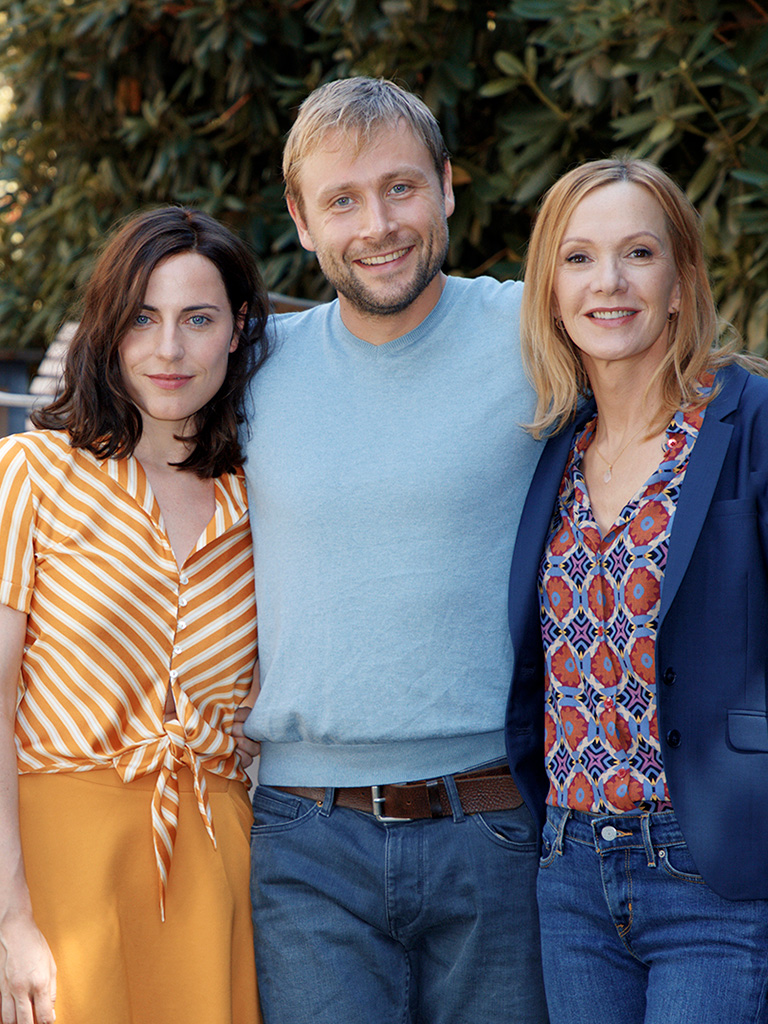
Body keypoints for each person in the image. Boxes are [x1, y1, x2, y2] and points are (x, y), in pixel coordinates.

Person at [241, 76, 548, 1024]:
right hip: (305, 841)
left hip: (494, 824)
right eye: (343, 199)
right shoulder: (251, 370)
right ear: (300, 219)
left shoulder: (541, 333)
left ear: (448, 187)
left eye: (401, 188)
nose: (378, 224)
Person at [505, 156, 768, 1024]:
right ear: (549, 290)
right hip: (572, 874)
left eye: (638, 254)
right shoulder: (554, 453)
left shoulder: (749, 422)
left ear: (681, 281)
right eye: (578, 258)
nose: (608, 283)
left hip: (715, 870)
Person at [0, 206, 269, 1024]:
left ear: (237, 329)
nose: (169, 348)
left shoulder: (263, 501)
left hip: (215, 868)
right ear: (109, 330)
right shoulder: (32, 473)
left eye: (198, 318)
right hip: (60, 866)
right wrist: (10, 918)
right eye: (143, 319)